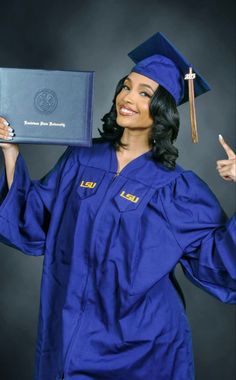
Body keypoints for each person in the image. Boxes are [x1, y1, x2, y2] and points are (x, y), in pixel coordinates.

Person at [0, 32, 235, 380]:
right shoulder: (81, 158)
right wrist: (10, 150)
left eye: (144, 93)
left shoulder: (176, 188)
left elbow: (222, 262)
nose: (127, 97)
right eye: (126, 86)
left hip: (142, 346)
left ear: (163, 110)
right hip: (69, 331)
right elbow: (33, 223)